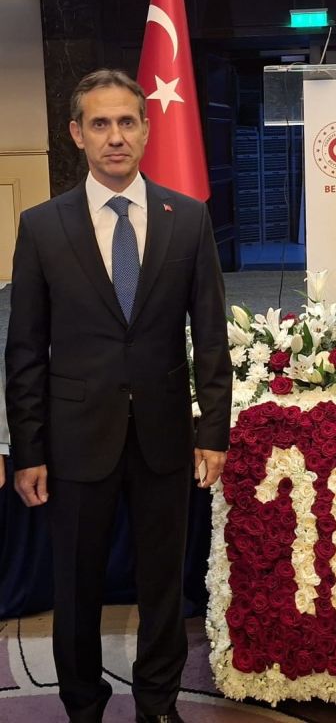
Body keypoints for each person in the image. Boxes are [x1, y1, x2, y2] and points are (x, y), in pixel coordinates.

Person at [5, 69, 233, 723]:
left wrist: (213, 432)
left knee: (163, 584)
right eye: (100, 123)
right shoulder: (42, 227)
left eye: (126, 122)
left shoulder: (187, 219)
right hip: (76, 439)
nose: (115, 136)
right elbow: (25, 349)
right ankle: (83, 704)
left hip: (165, 436)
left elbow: (210, 336)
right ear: (76, 134)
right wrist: (28, 449)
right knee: (76, 586)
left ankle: (158, 704)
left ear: (147, 129)